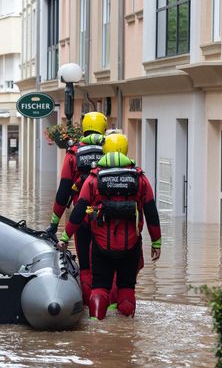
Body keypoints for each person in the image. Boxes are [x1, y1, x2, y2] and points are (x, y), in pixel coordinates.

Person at [58, 133, 162, 320]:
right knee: (126, 287)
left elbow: (79, 211)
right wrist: (157, 242)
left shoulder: (93, 179)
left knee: (99, 286)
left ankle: (96, 326)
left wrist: (65, 237)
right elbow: (151, 211)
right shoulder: (140, 179)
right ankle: (125, 329)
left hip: (100, 245)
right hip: (131, 246)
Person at [45, 111, 107, 305]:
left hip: (81, 219)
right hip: (107, 218)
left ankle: (90, 306)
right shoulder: (112, 152)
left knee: (86, 267)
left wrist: (54, 224)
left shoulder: (73, 154)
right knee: (110, 265)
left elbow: (63, 191)